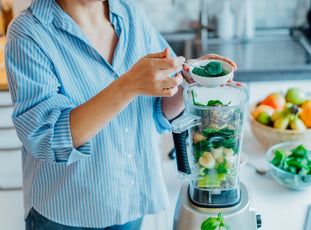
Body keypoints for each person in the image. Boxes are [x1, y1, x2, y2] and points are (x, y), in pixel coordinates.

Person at [5, 0, 237, 229]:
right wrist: (127, 85)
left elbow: (158, 110)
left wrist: (188, 83)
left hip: (130, 200)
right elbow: (47, 138)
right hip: (67, 213)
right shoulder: (27, 32)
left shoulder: (130, 13)